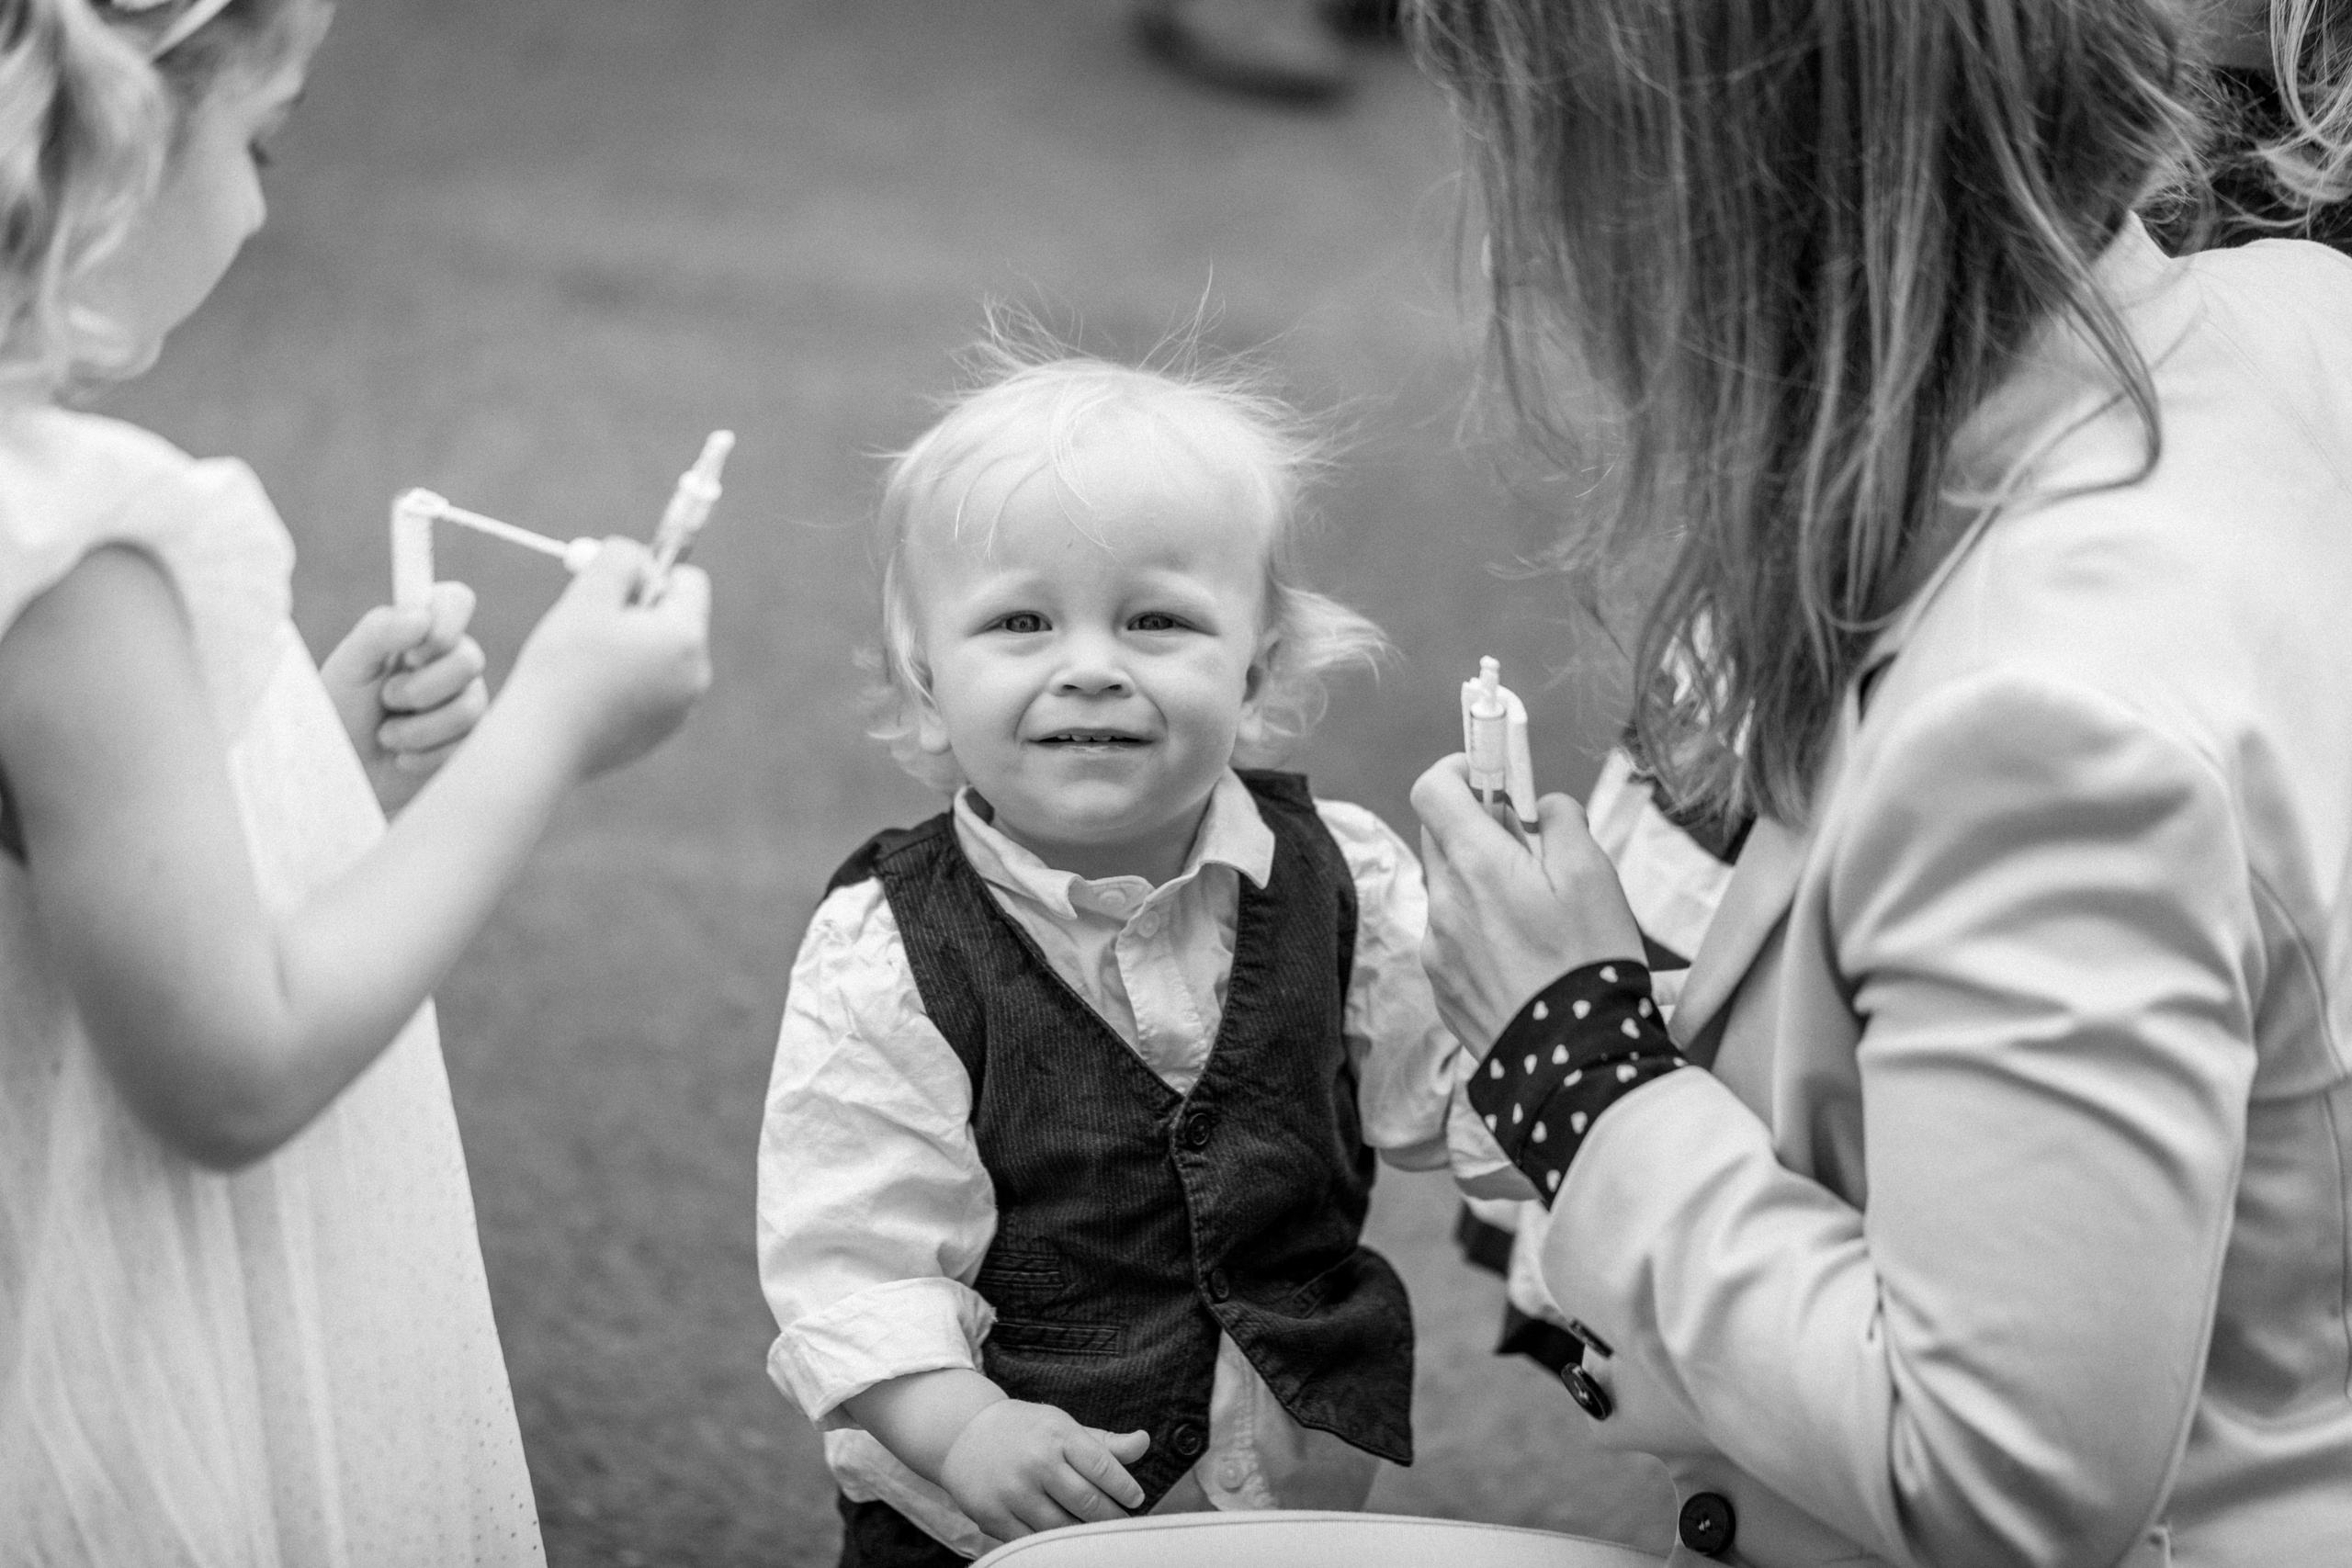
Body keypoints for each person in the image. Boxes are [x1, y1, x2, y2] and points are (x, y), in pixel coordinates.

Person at [1406, 2, 2352, 1564]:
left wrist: (1576, 1071)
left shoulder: (2044, 730)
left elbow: (1998, 1482)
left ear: (1693, 187)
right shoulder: (2301, 309)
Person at [0, 1, 714, 1562]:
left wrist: (292, 758)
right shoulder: (66, 569)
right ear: (110, 133)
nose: (261, 206)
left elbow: (55, 863)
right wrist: (547, 733)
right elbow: (231, 1073)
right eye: (261, 141)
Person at [757, 341, 1459, 1565]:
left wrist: (1593, 1041)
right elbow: (854, 1266)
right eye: (1022, 620)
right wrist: (966, 1428)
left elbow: (1450, 1101)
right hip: (987, 1516)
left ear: (1263, 665)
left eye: (1155, 618)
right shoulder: (889, 946)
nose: (1090, 664)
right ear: (927, 681)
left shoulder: (1343, 876)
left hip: (1287, 1496)